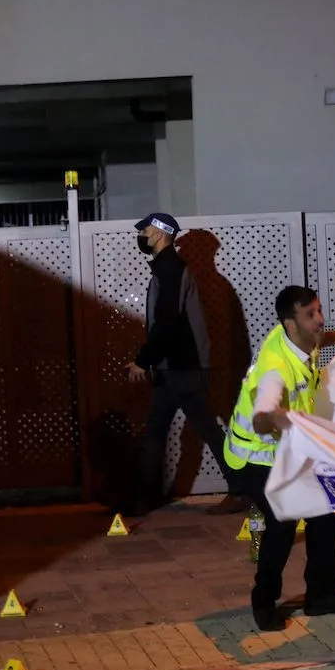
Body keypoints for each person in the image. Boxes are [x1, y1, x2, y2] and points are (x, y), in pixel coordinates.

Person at [223, 285, 335, 632]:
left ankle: (321, 597)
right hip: (254, 458)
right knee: (283, 523)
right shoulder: (275, 368)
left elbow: (320, 338)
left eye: (319, 310)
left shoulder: (298, 337)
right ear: (290, 324)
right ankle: (264, 602)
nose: (320, 320)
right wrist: (276, 418)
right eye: (311, 315)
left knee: (321, 510)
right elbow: (262, 413)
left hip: (290, 448)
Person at [122, 213, 242, 517]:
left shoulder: (170, 270)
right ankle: (143, 498)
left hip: (180, 369)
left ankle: (239, 490)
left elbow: (166, 322)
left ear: (161, 233)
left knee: (193, 432)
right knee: (170, 432)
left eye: (146, 230)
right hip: (178, 368)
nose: (143, 235)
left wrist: (142, 360)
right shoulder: (169, 269)